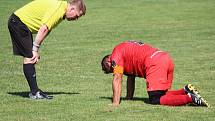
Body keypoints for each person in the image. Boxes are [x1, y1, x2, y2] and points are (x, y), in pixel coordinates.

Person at [8, 0, 86, 99]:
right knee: (29, 58)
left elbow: (47, 30)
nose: (76, 19)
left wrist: (35, 48)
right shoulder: (59, 9)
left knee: (30, 57)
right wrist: (35, 49)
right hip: (18, 23)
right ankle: (34, 93)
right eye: (77, 15)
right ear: (72, 9)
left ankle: (35, 91)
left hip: (20, 24)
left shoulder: (61, 10)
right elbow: (44, 29)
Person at [101, 40, 209, 107]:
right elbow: (130, 78)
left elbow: (117, 78)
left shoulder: (116, 55)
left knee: (155, 99)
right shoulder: (124, 53)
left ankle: (190, 98)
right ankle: (186, 90)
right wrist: (129, 98)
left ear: (108, 61)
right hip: (165, 58)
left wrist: (115, 103)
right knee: (162, 95)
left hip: (155, 63)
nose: (111, 71)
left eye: (107, 69)